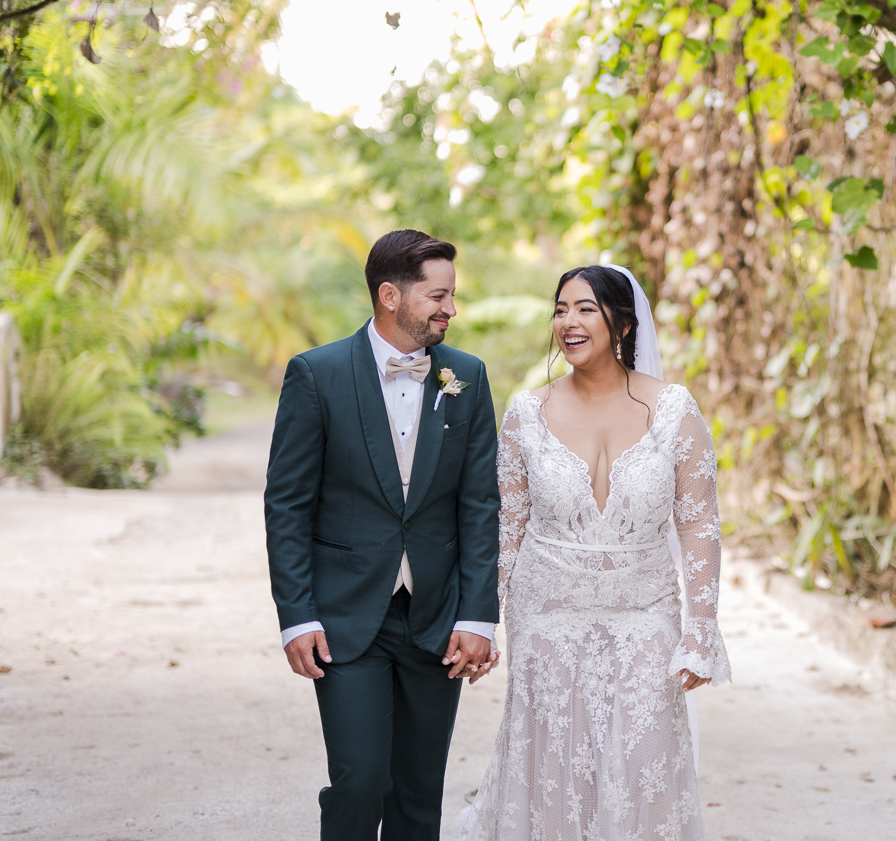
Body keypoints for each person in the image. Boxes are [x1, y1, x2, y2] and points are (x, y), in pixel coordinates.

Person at [463, 264, 731, 841]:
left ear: (624, 323)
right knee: (557, 765)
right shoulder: (525, 413)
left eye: (585, 308)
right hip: (546, 614)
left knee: (642, 762)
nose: (569, 321)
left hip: (645, 613)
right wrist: (482, 617)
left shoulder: (676, 410)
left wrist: (700, 629)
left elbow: (700, 525)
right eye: (560, 309)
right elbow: (507, 527)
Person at [264, 229, 503, 841]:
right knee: (361, 778)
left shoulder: (466, 378)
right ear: (391, 295)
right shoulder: (316, 375)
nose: (450, 309)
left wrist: (478, 617)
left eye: (452, 296)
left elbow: (479, 506)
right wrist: (297, 615)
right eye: (439, 296)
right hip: (344, 617)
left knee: (419, 794)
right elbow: (287, 503)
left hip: (436, 620)